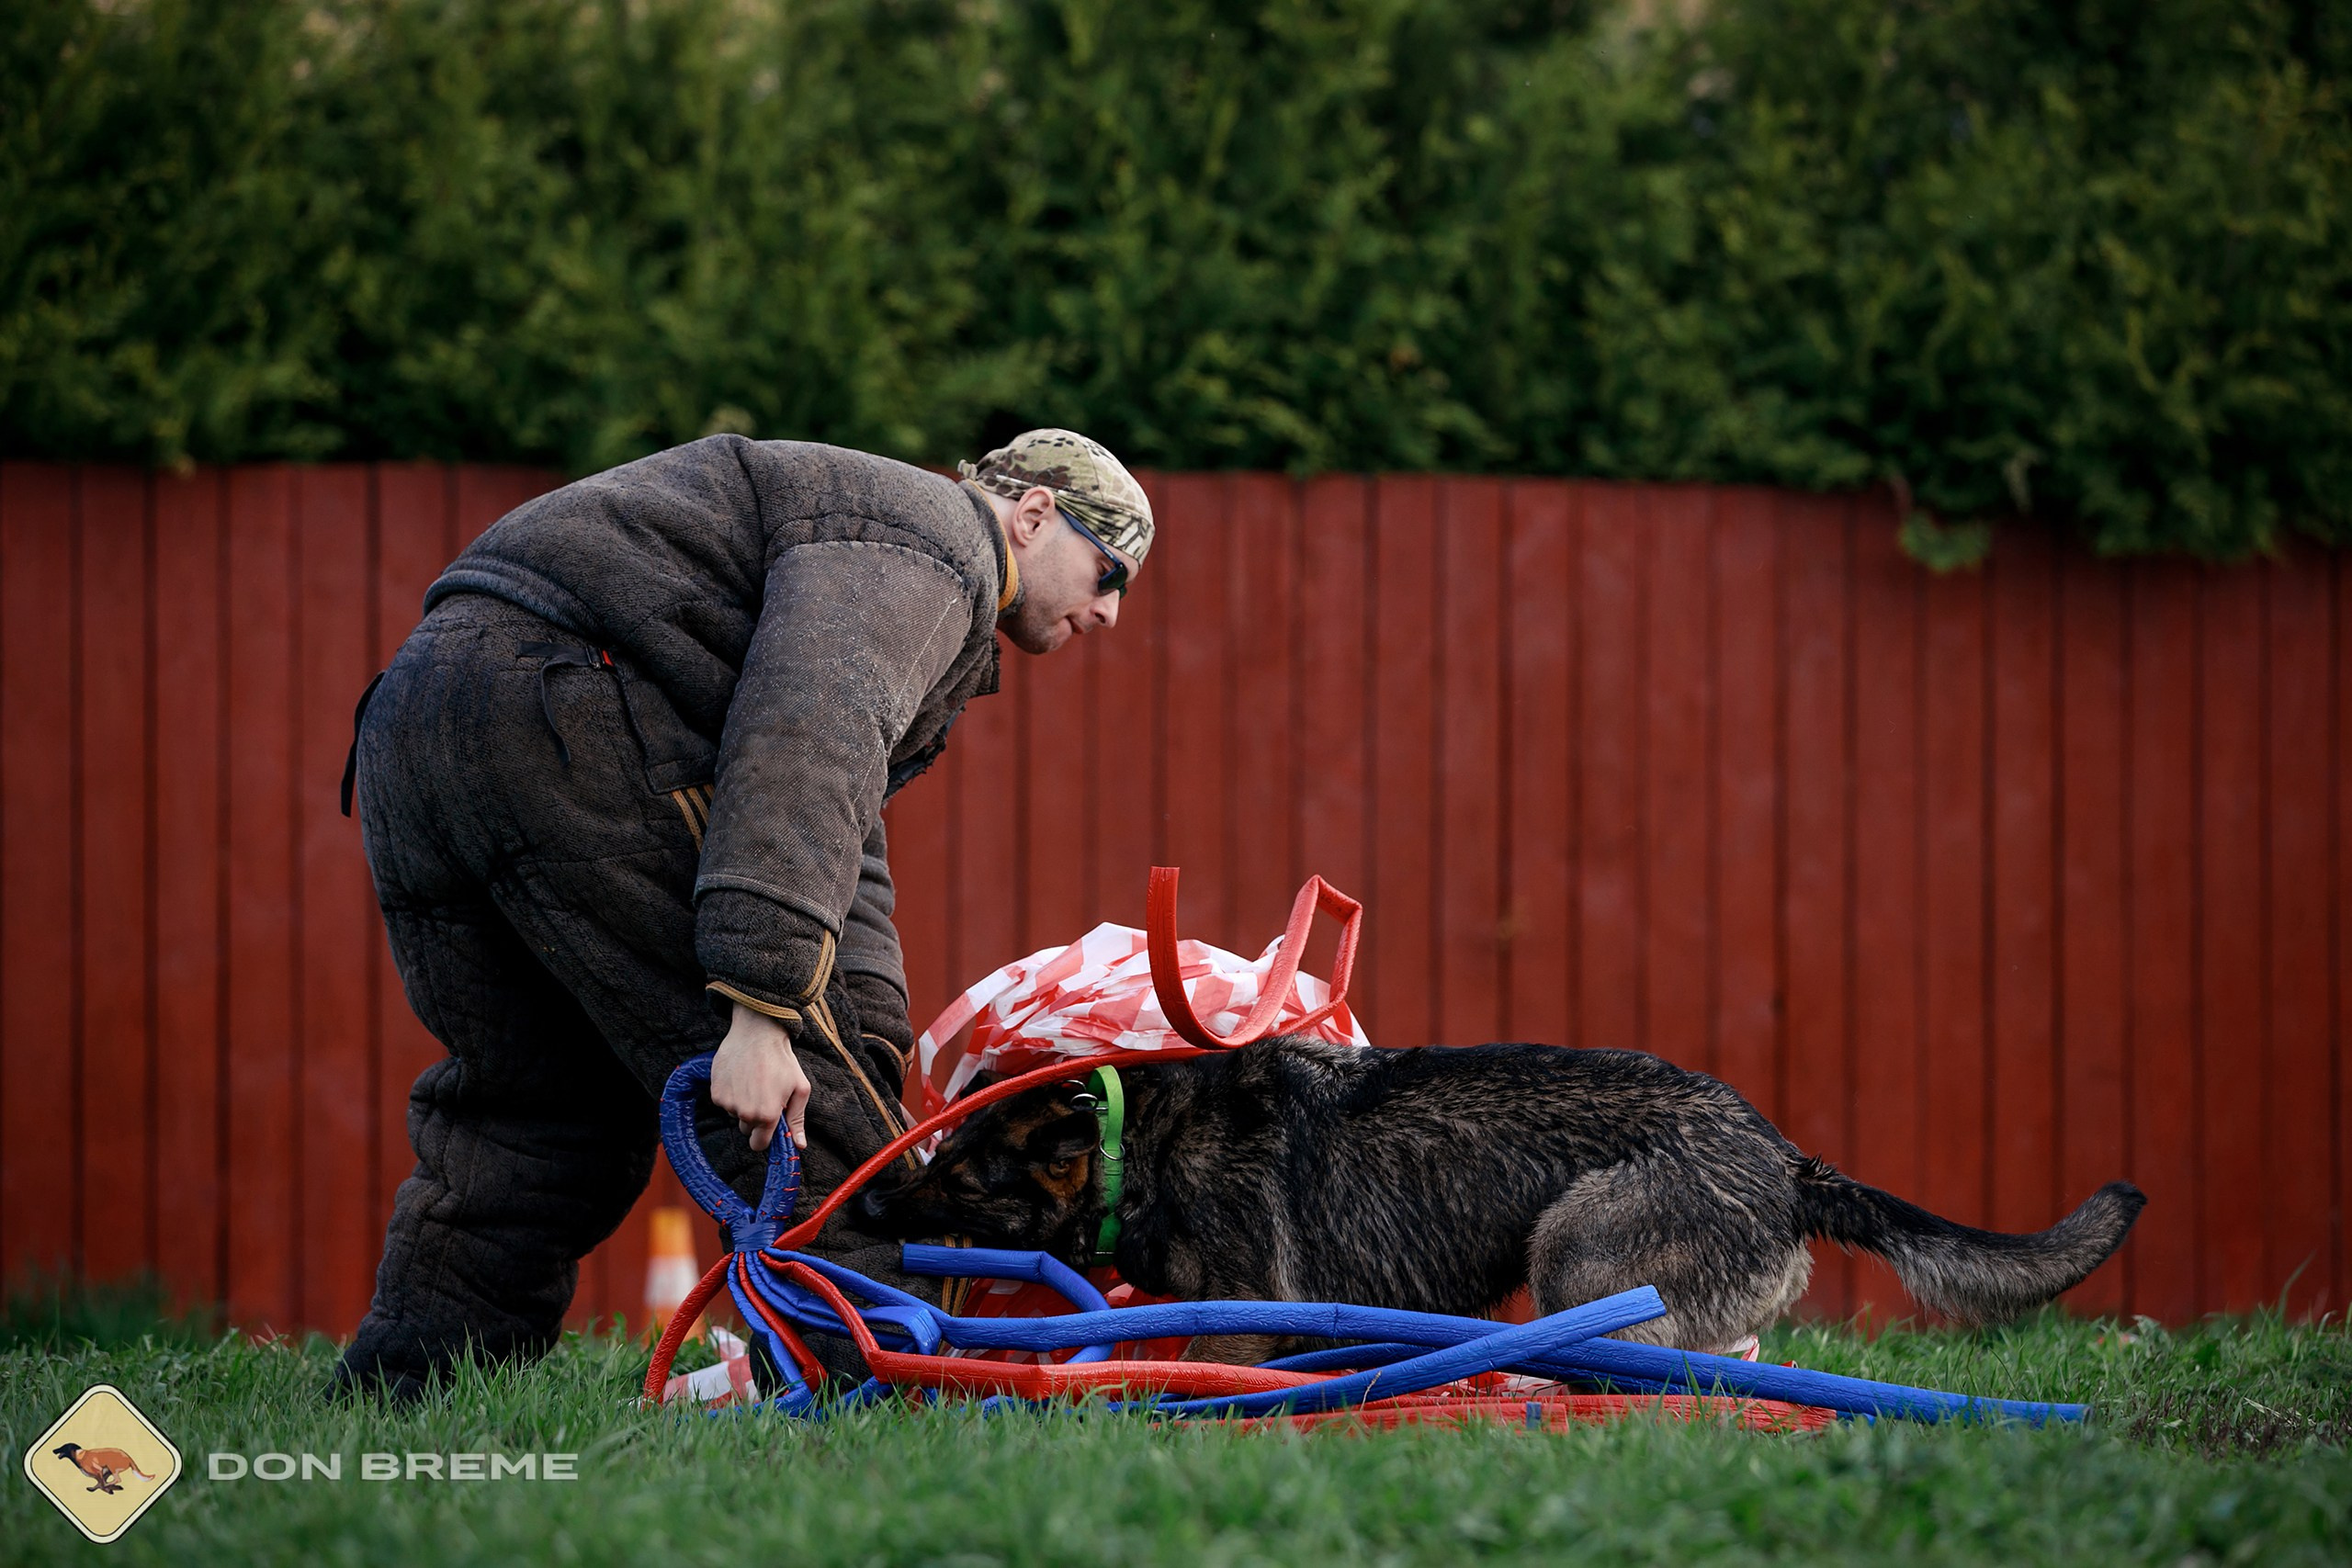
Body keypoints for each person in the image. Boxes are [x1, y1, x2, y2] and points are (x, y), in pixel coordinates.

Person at [331, 428, 1150, 1402]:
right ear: (1031, 514)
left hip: (416, 722)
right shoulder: (928, 542)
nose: (1106, 612)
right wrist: (766, 1008)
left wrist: (874, 1036)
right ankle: (862, 1396)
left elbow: (843, 826)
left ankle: (409, 1387)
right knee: (807, 1110)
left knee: (537, 1110)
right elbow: (805, 742)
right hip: (569, 708)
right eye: (1108, 573)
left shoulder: (880, 536)